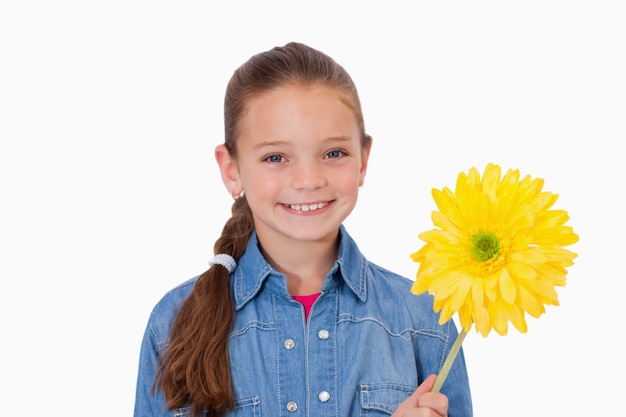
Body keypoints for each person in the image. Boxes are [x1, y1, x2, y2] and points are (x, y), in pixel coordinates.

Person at [133, 41, 472, 417]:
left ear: (363, 161)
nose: (308, 179)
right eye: (275, 157)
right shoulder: (173, 324)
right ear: (231, 170)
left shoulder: (422, 319)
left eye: (333, 153)